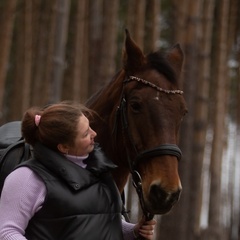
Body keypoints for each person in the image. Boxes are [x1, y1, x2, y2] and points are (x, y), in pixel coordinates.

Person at [0, 101, 156, 240]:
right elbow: (7, 232)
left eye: (90, 127)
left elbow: (100, 221)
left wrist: (133, 231)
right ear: (64, 147)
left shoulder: (100, 170)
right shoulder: (26, 178)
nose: (94, 134)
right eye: (86, 134)